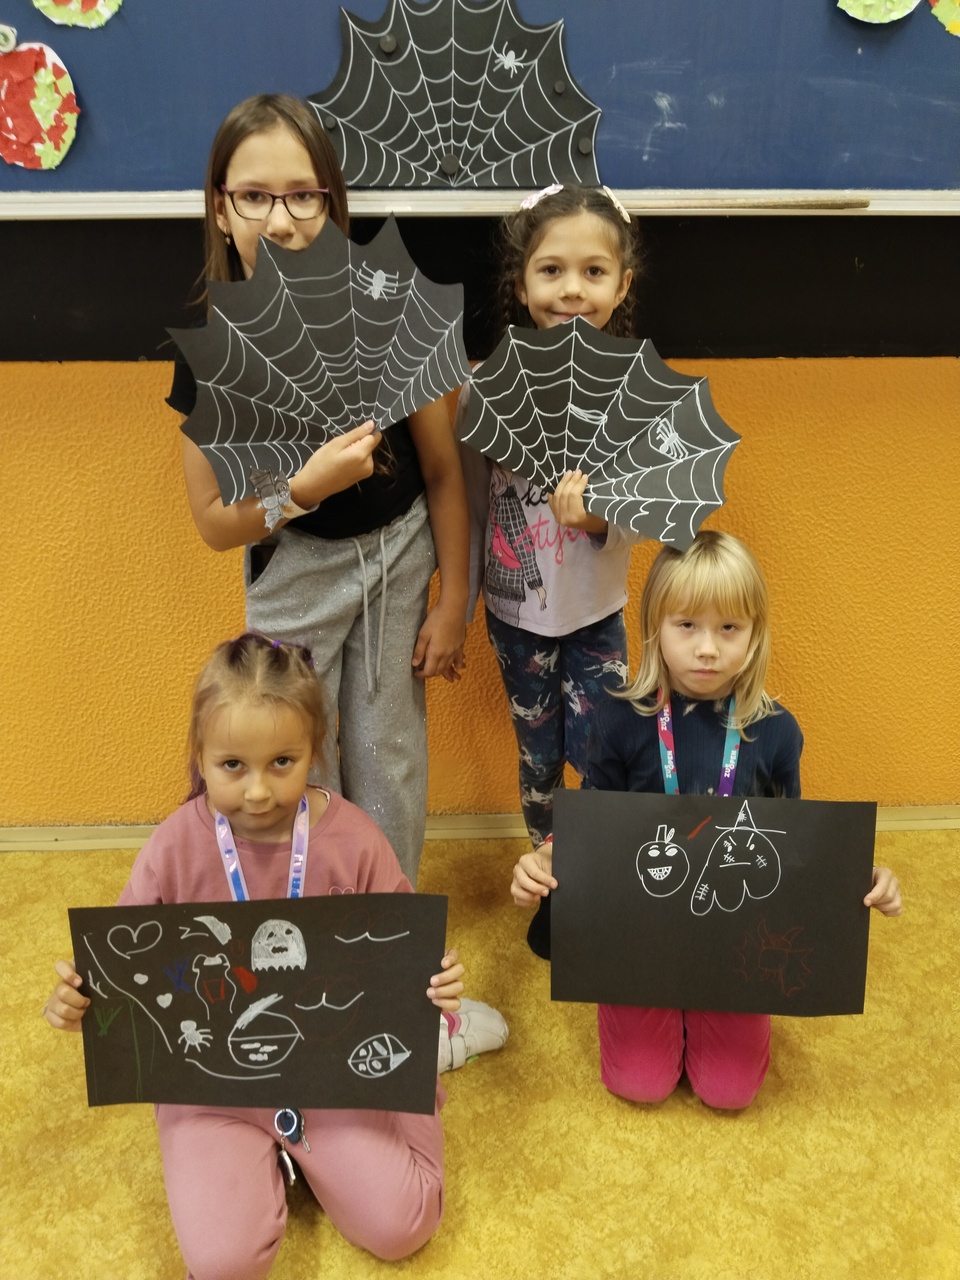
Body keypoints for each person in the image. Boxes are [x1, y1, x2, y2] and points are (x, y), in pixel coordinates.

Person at [44, 634, 507, 1278]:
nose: (258, 791)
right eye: (233, 765)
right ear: (199, 756)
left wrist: (435, 979)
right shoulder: (173, 847)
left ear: (315, 749)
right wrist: (78, 1002)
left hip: (333, 1064)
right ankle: (267, 1156)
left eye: (282, 762)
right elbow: (121, 971)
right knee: (223, 1265)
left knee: (403, 1224)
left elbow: (407, 948)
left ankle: (418, 1080)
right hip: (210, 1084)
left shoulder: (354, 840)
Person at [172, 94, 469, 885]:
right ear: (220, 207)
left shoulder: (388, 306)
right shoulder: (211, 353)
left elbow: (444, 471)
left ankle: (395, 929)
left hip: (397, 559)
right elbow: (213, 522)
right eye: (254, 196)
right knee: (298, 754)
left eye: (303, 195)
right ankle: (318, 927)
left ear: (333, 201)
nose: (281, 220)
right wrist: (302, 491)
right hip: (292, 571)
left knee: (387, 754)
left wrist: (453, 600)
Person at [511, 531, 903, 1110]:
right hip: (641, 929)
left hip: (735, 933)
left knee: (730, 1092)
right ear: (655, 625)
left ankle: (703, 1008)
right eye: (687, 625)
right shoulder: (618, 719)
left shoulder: (776, 733)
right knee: (639, 1083)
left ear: (755, 634)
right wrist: (547, 857)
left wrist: (858, 878)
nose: (707, 649)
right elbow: (593, 825)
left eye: (729, 628)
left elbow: (796, 845)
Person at [456, 184, 644, 957]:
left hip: (597, 612)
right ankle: (551, 879)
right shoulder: (487, 385)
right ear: (522, 282)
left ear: (622, 285)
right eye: (552, 270)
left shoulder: (631, 389)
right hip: (515, 618)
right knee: (537, 759)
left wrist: (596, 516)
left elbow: (645, 505)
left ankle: (597, 880)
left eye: (594, 272)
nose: (572, 289)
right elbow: (470, 506)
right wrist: (459, 603)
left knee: (604, 752)